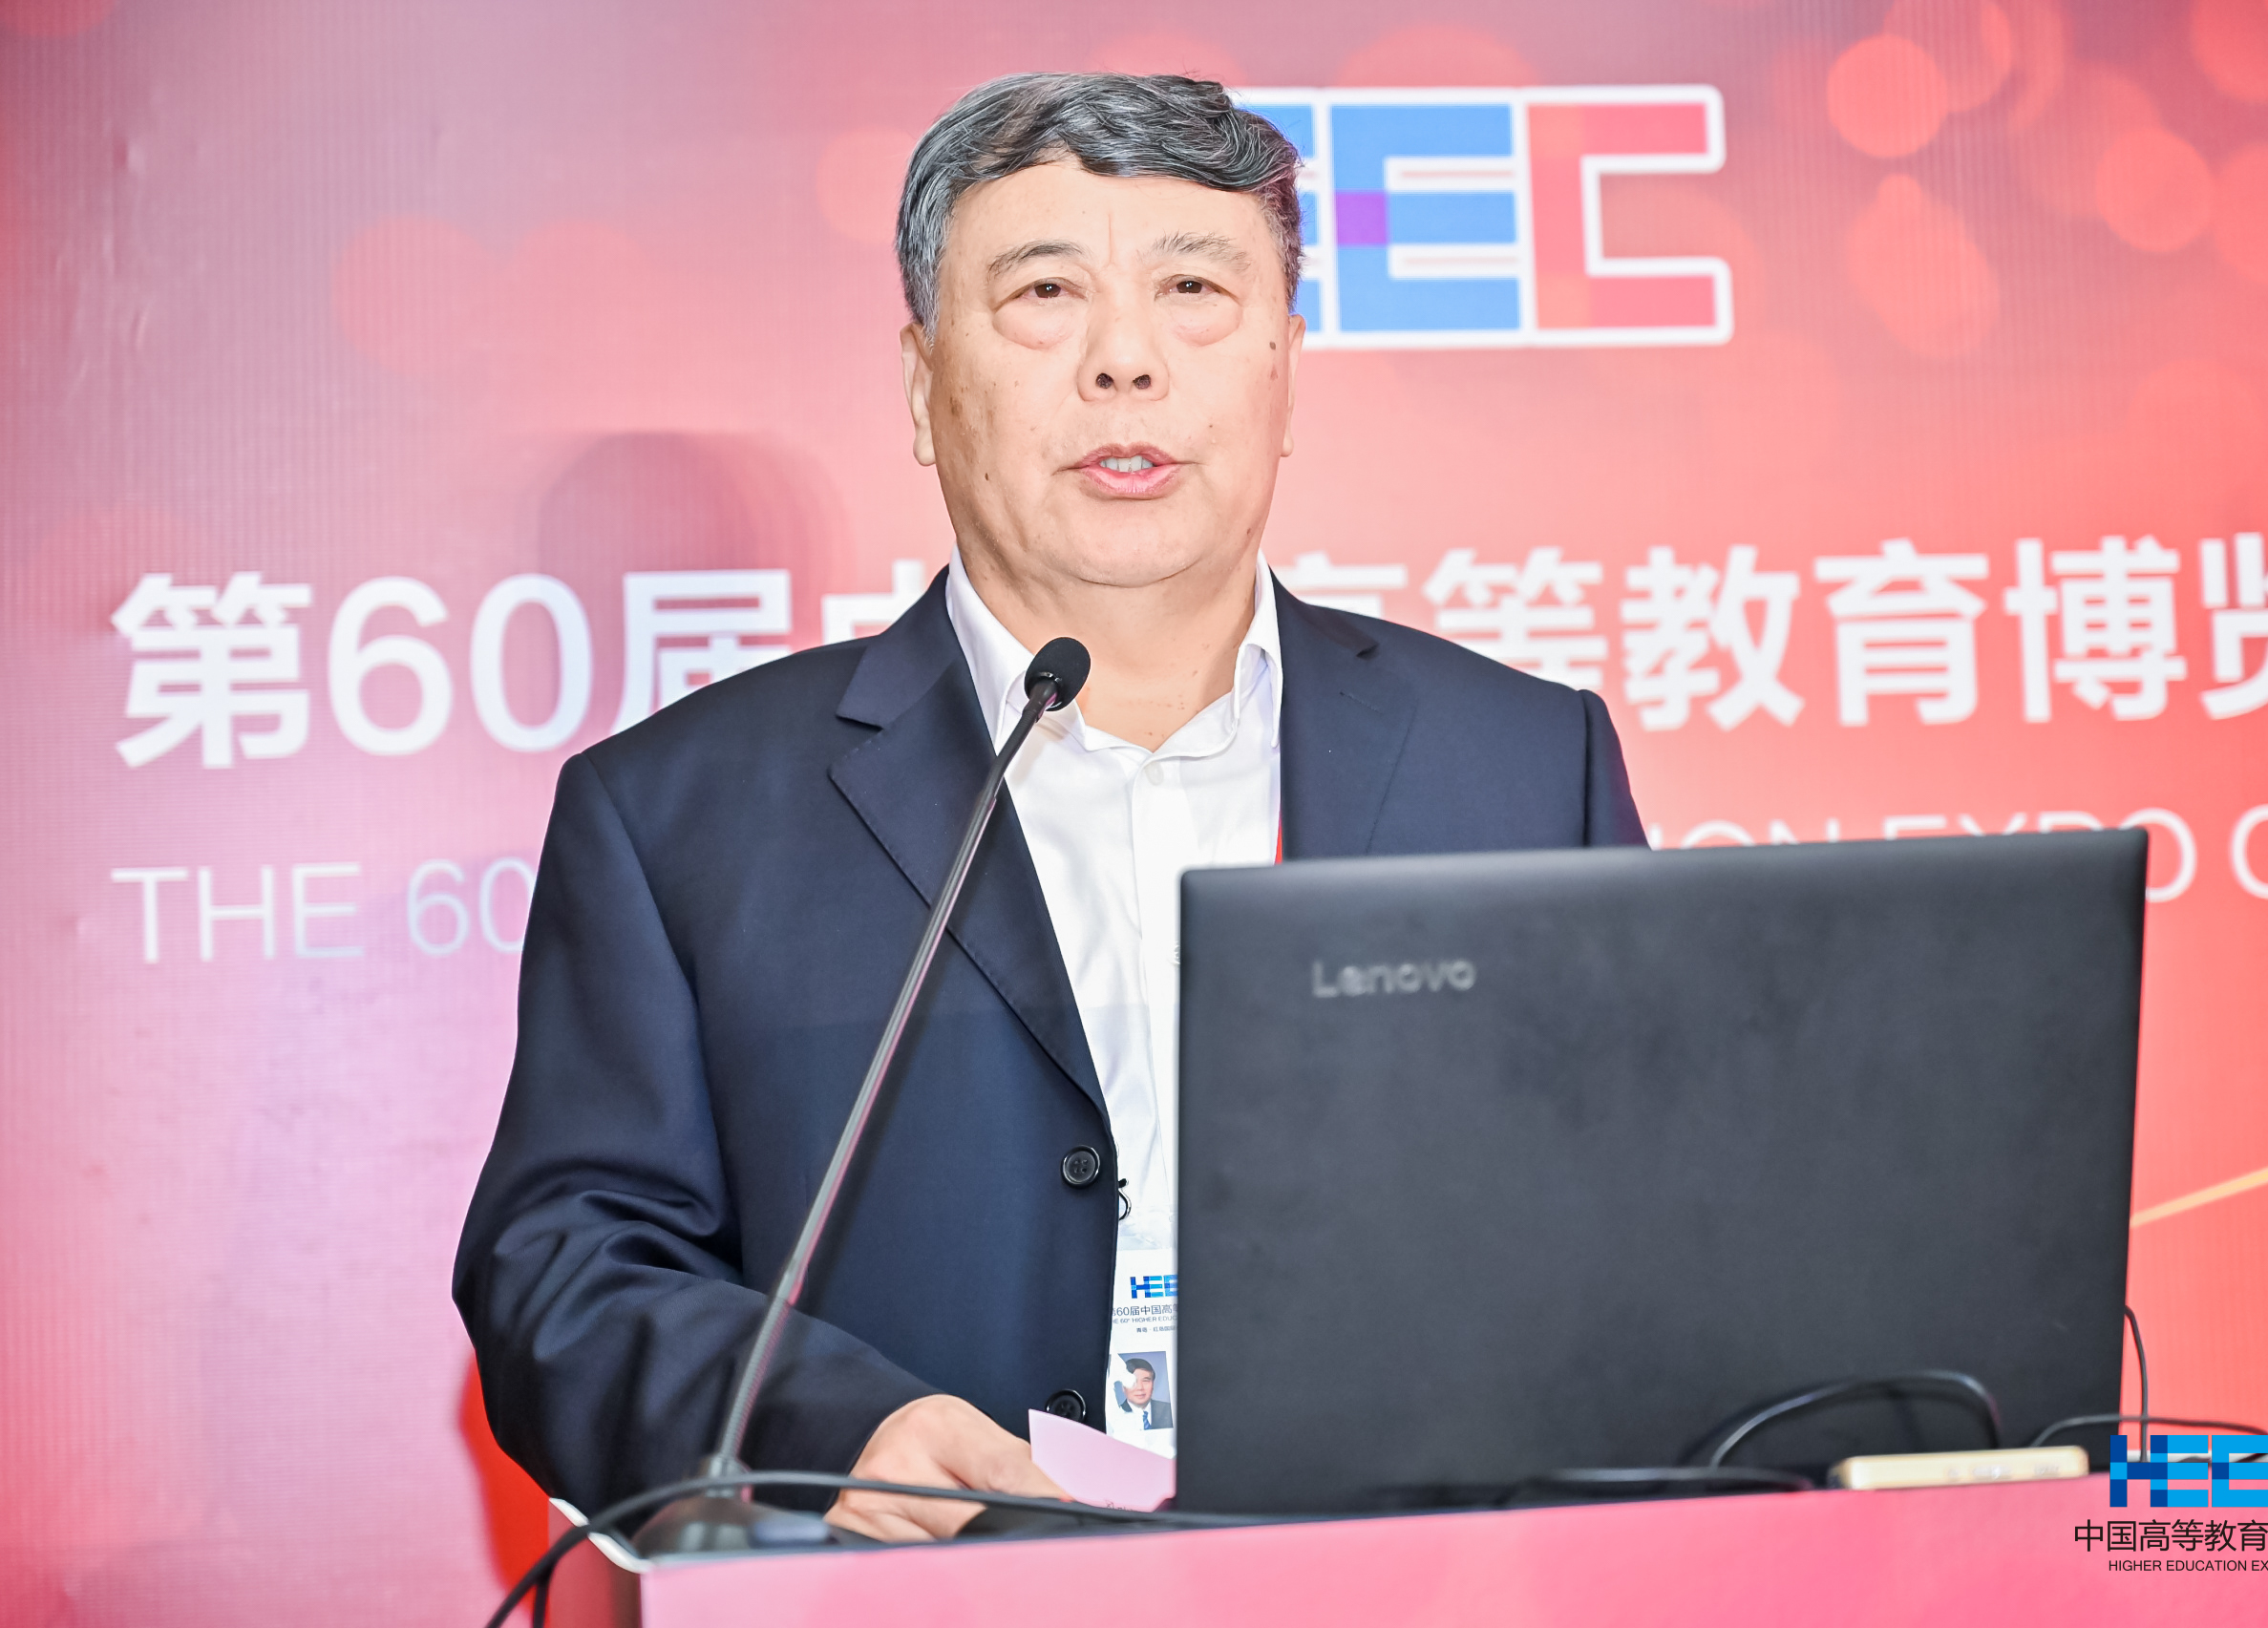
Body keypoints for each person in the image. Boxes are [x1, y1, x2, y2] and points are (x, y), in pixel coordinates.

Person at [455, 71, 1643, 1546]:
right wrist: (836, 1430)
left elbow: (1656, 1221)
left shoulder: (1524, 766)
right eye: (1045, 294)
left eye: (1194, 289)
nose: (1125, 362)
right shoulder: (681, 816)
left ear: (1284, 366)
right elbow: (567, 1268)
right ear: (921, 385)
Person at [1113, 1358, 1173, 1431]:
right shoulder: (1114, 1416)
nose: (1140, 1387)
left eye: (1145, 1381)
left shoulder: (1170, 1410)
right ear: (1123, 1386)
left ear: (1153, 1384)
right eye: (1132, 1382)